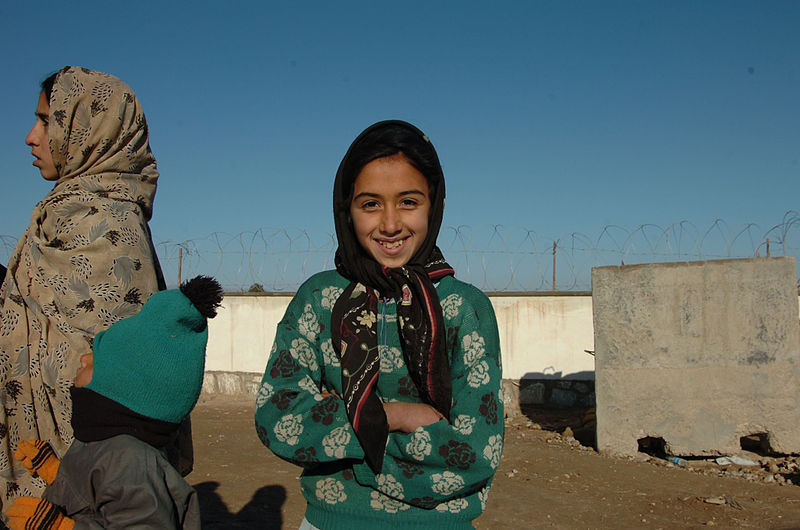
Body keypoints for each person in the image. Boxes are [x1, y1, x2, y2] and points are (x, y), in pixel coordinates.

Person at [254, 120, 504, 529]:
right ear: (345, 210)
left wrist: (344, 439)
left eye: (409, 202)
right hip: (331, 521)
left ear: (435, 205)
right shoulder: (319, 301)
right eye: (370, 204)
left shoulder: (464, 308)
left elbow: (475, 451)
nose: (390, 225)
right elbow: (278, 419)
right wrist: (393, 416)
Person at [0, 66, 166, 506]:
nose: (31, 137)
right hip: (36, 456)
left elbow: (121, 380)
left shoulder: (111, 227)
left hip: (82, 475)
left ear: (91, 129)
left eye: (45, 121)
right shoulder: (57, 216)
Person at [6, 276, 222, 529]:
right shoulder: (104, 439)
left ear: (124, 387)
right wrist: (54, 470)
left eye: (97, 358)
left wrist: (63, 527)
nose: (84, 359)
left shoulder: (131, 463)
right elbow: (94, 493)